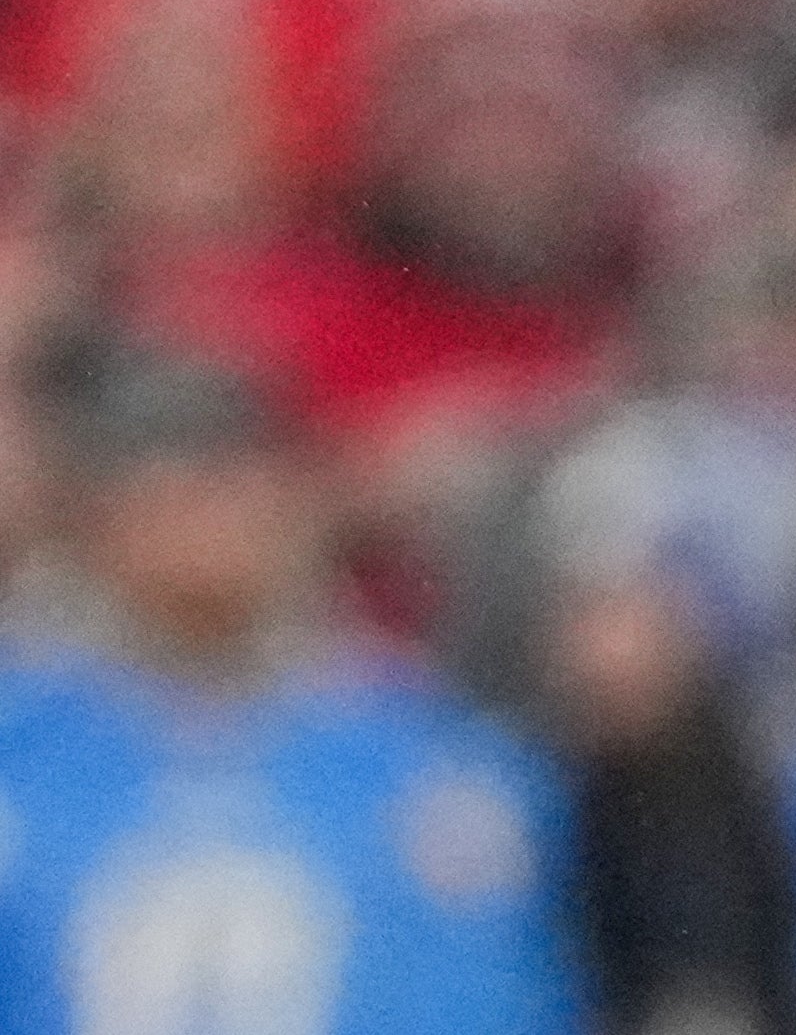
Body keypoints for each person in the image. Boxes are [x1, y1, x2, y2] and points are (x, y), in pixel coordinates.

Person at [0, 339, 583, 1035]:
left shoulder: (438, 760)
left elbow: (490, 994)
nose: (205, 521)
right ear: (92, 522)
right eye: (165, 486)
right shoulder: (25, 750)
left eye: (230, 480)